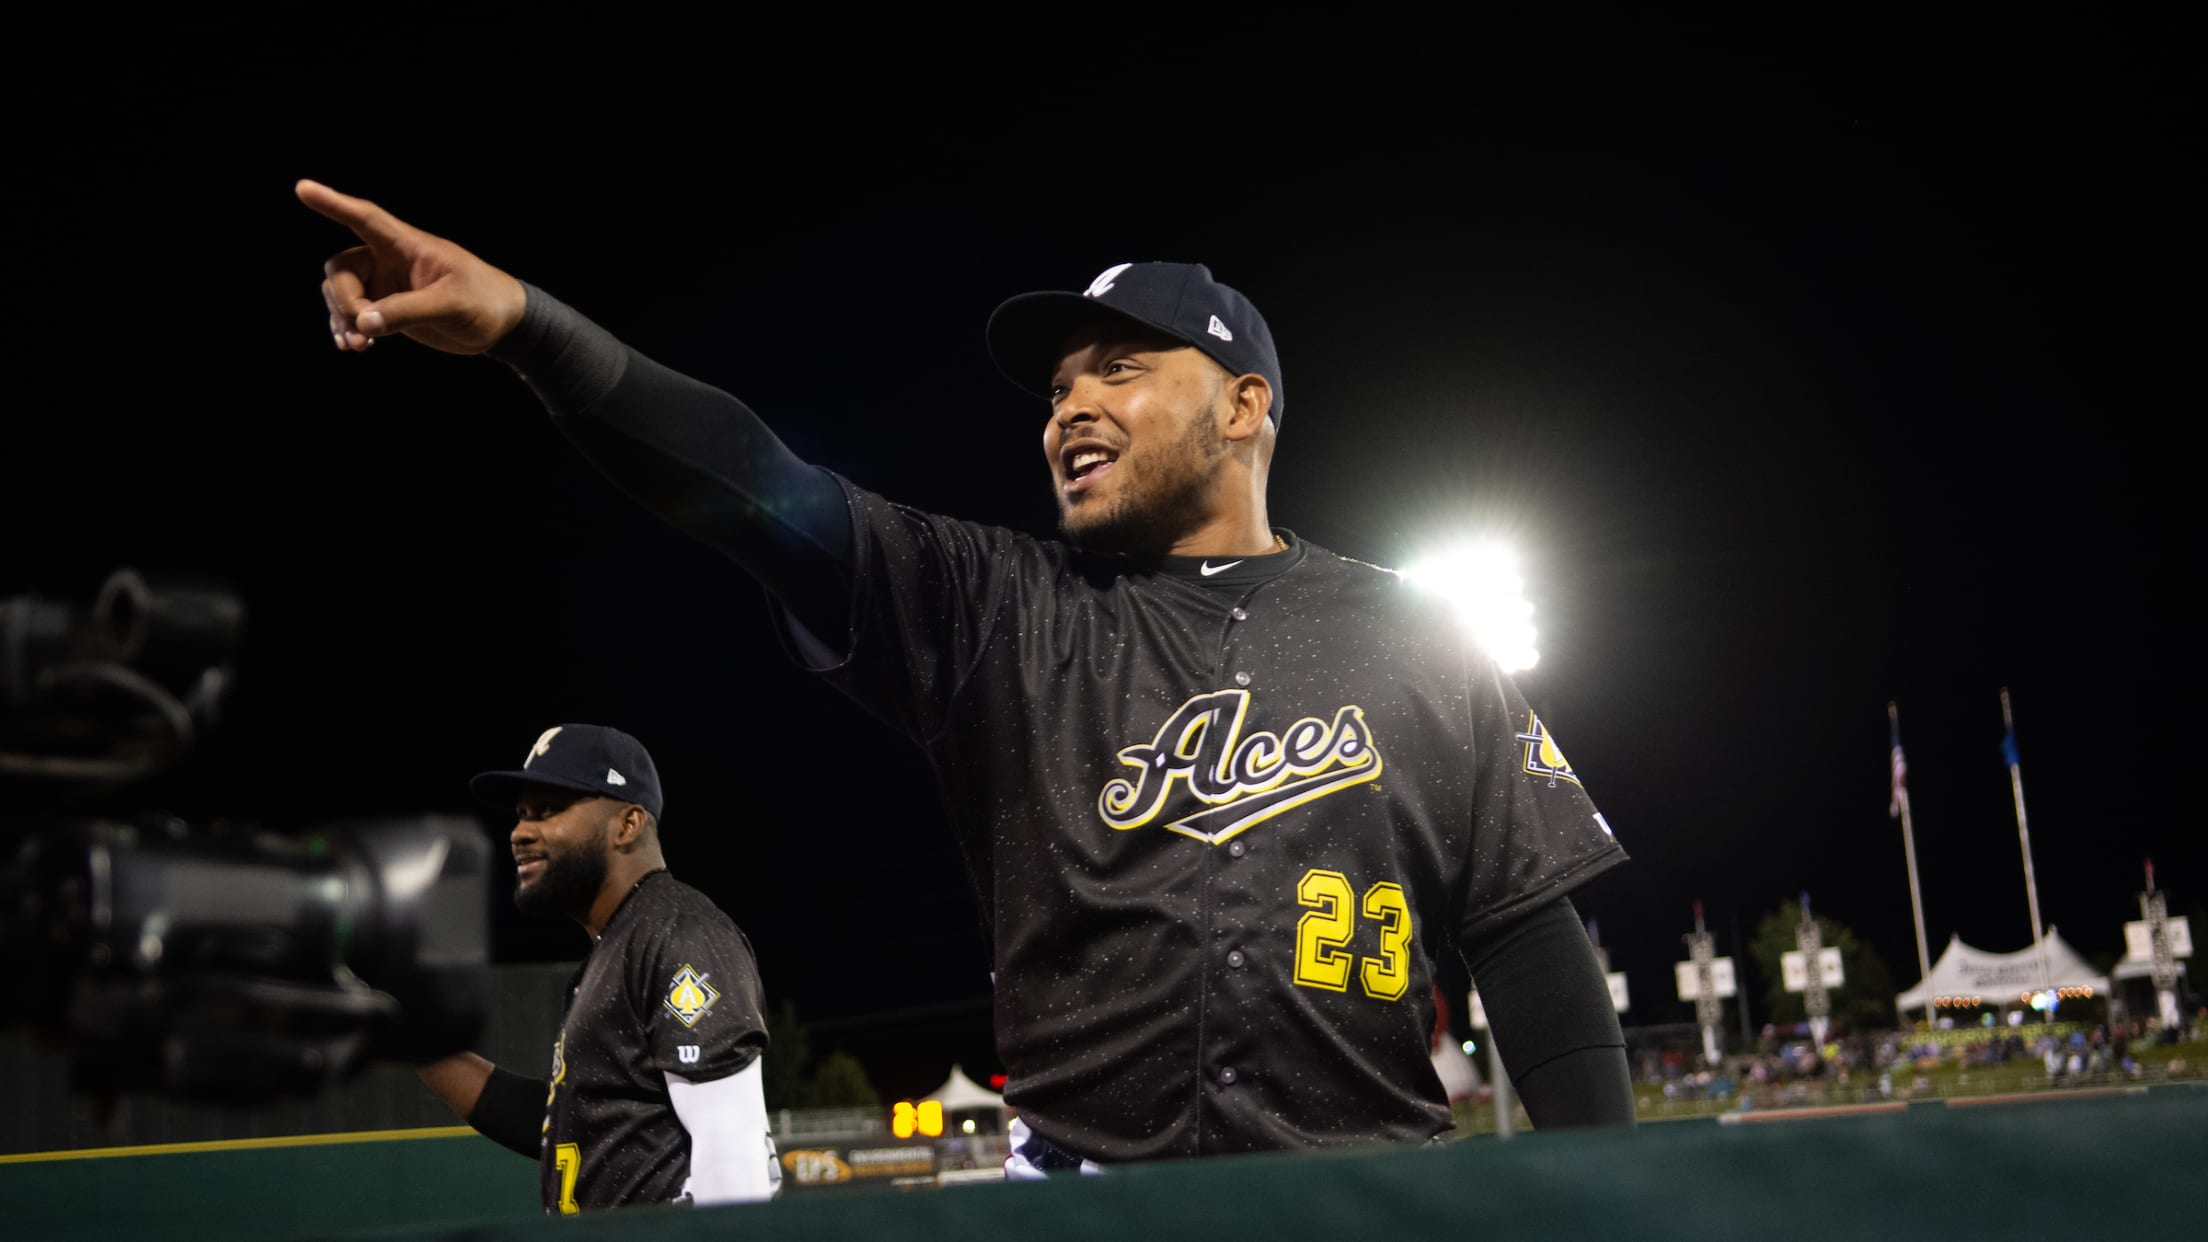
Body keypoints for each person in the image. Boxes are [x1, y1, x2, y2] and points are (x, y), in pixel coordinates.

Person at [300, 180, 1637, 1168]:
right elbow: (754, 486)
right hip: (1078, 1193)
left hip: (1371, 1189)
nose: (1068, 409)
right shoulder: (1000, 605)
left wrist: (1600, 1194)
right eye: (1055, 391)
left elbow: (1526, 932)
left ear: (1245, 406)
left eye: (1119, 370)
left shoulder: (1416, 631)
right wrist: (534, 327)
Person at [413, 722, 779, 1210]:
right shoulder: (616, 944)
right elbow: (567, 1122)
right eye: (521, 814)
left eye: (548, 810)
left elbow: (735, 1164)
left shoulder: (677, 932)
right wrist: (411, 1039)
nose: (520, 832)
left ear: (627, 825)